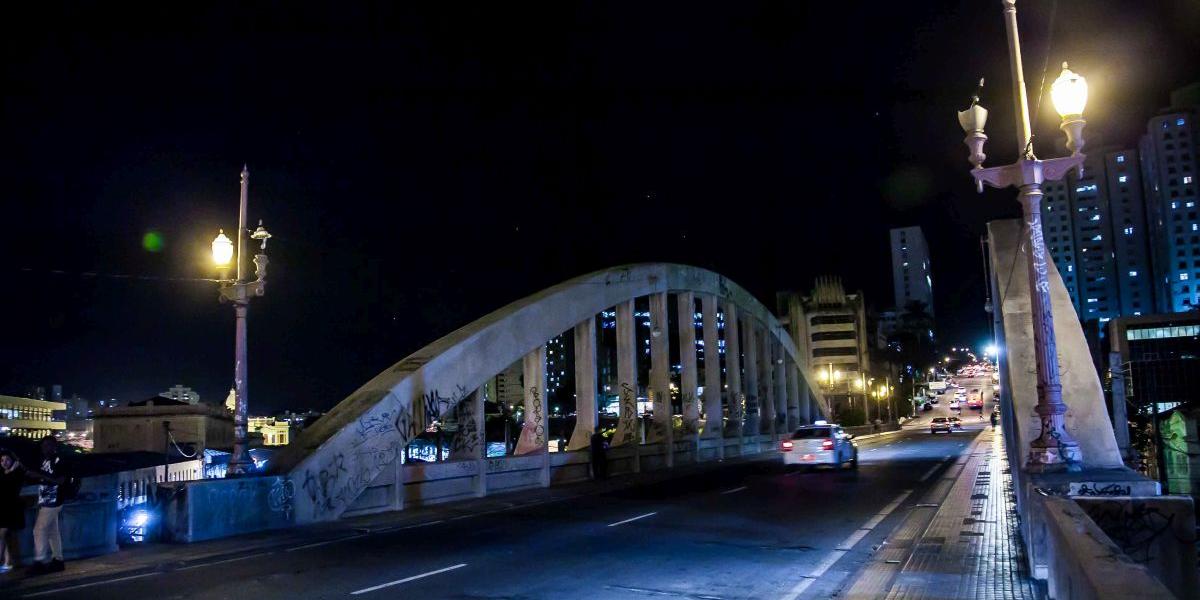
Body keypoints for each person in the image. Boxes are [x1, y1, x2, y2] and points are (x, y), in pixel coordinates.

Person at [27, 436, 70, 575]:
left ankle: (39, 561)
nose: (45, 448)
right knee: (52, 531)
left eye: (48, 445)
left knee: (38, 530)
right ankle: (58, 560)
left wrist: (40, 475)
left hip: (54, 500)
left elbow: (60, 481)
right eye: (43, 445)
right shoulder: (44, 460)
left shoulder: (59, 461)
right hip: (47, 500)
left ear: (54, 447)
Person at [0, 449, 26, 573]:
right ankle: (8, 562)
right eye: (2, 460)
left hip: (11, 508)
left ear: (13, 461)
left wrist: (12, 470)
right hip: (4, 508)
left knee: (3, 534)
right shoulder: (5, 473)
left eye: (7, 460)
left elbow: (9, 487)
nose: (4, 462)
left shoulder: (16, 473)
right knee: (7, 536)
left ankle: (5, 562)